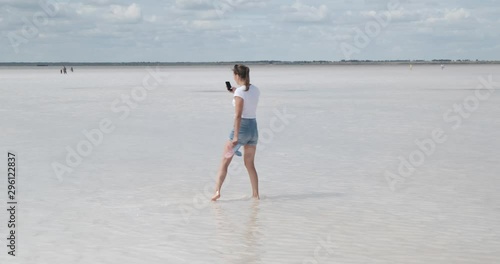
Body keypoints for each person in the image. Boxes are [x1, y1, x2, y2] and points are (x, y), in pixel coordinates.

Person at [211, 64, 261, 201]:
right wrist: (235, 92)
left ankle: (217, 192)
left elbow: (238, 115)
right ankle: (256, 195)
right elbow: (247, 97)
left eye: (234, 75)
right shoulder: (255, 90)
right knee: (250, 164)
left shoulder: (240, 92)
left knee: (225, 162)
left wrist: (236, 137)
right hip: (253, 129)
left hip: (242, 128)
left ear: (237, 76)